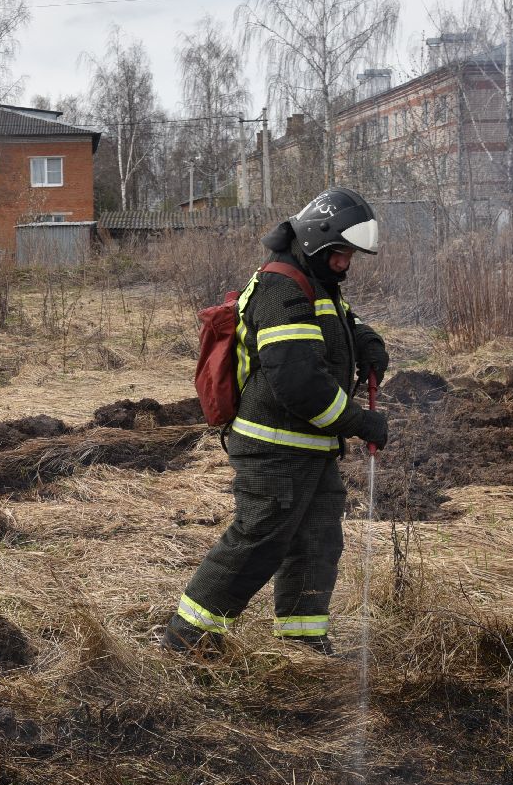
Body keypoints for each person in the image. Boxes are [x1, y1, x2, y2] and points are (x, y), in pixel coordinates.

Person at [162, 187, 390, 657]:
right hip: (274, 446)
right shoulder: (281, 288)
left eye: (350, 255)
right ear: (317, 240)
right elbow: (298, 382)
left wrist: (366, 339)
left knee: (317, 541)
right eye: (342, 253)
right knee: (258, 541)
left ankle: (302, 640)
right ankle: (188, 639)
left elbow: (340, 315)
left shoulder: (314, 280)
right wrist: (357, 422)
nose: (346, 263)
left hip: (309, 447)